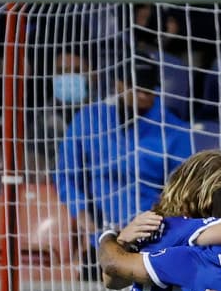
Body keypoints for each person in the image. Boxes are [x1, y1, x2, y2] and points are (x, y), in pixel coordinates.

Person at [55, 60, 195, 245]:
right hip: (99, 235)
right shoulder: (89, 120)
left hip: (153, 237)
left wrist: (154, 222)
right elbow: (66, 175)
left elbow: (183, 190)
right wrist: (81, 214)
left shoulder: (174, 130)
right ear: (118, 84)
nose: (144, 95)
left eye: (149, 89)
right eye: (137, 88)